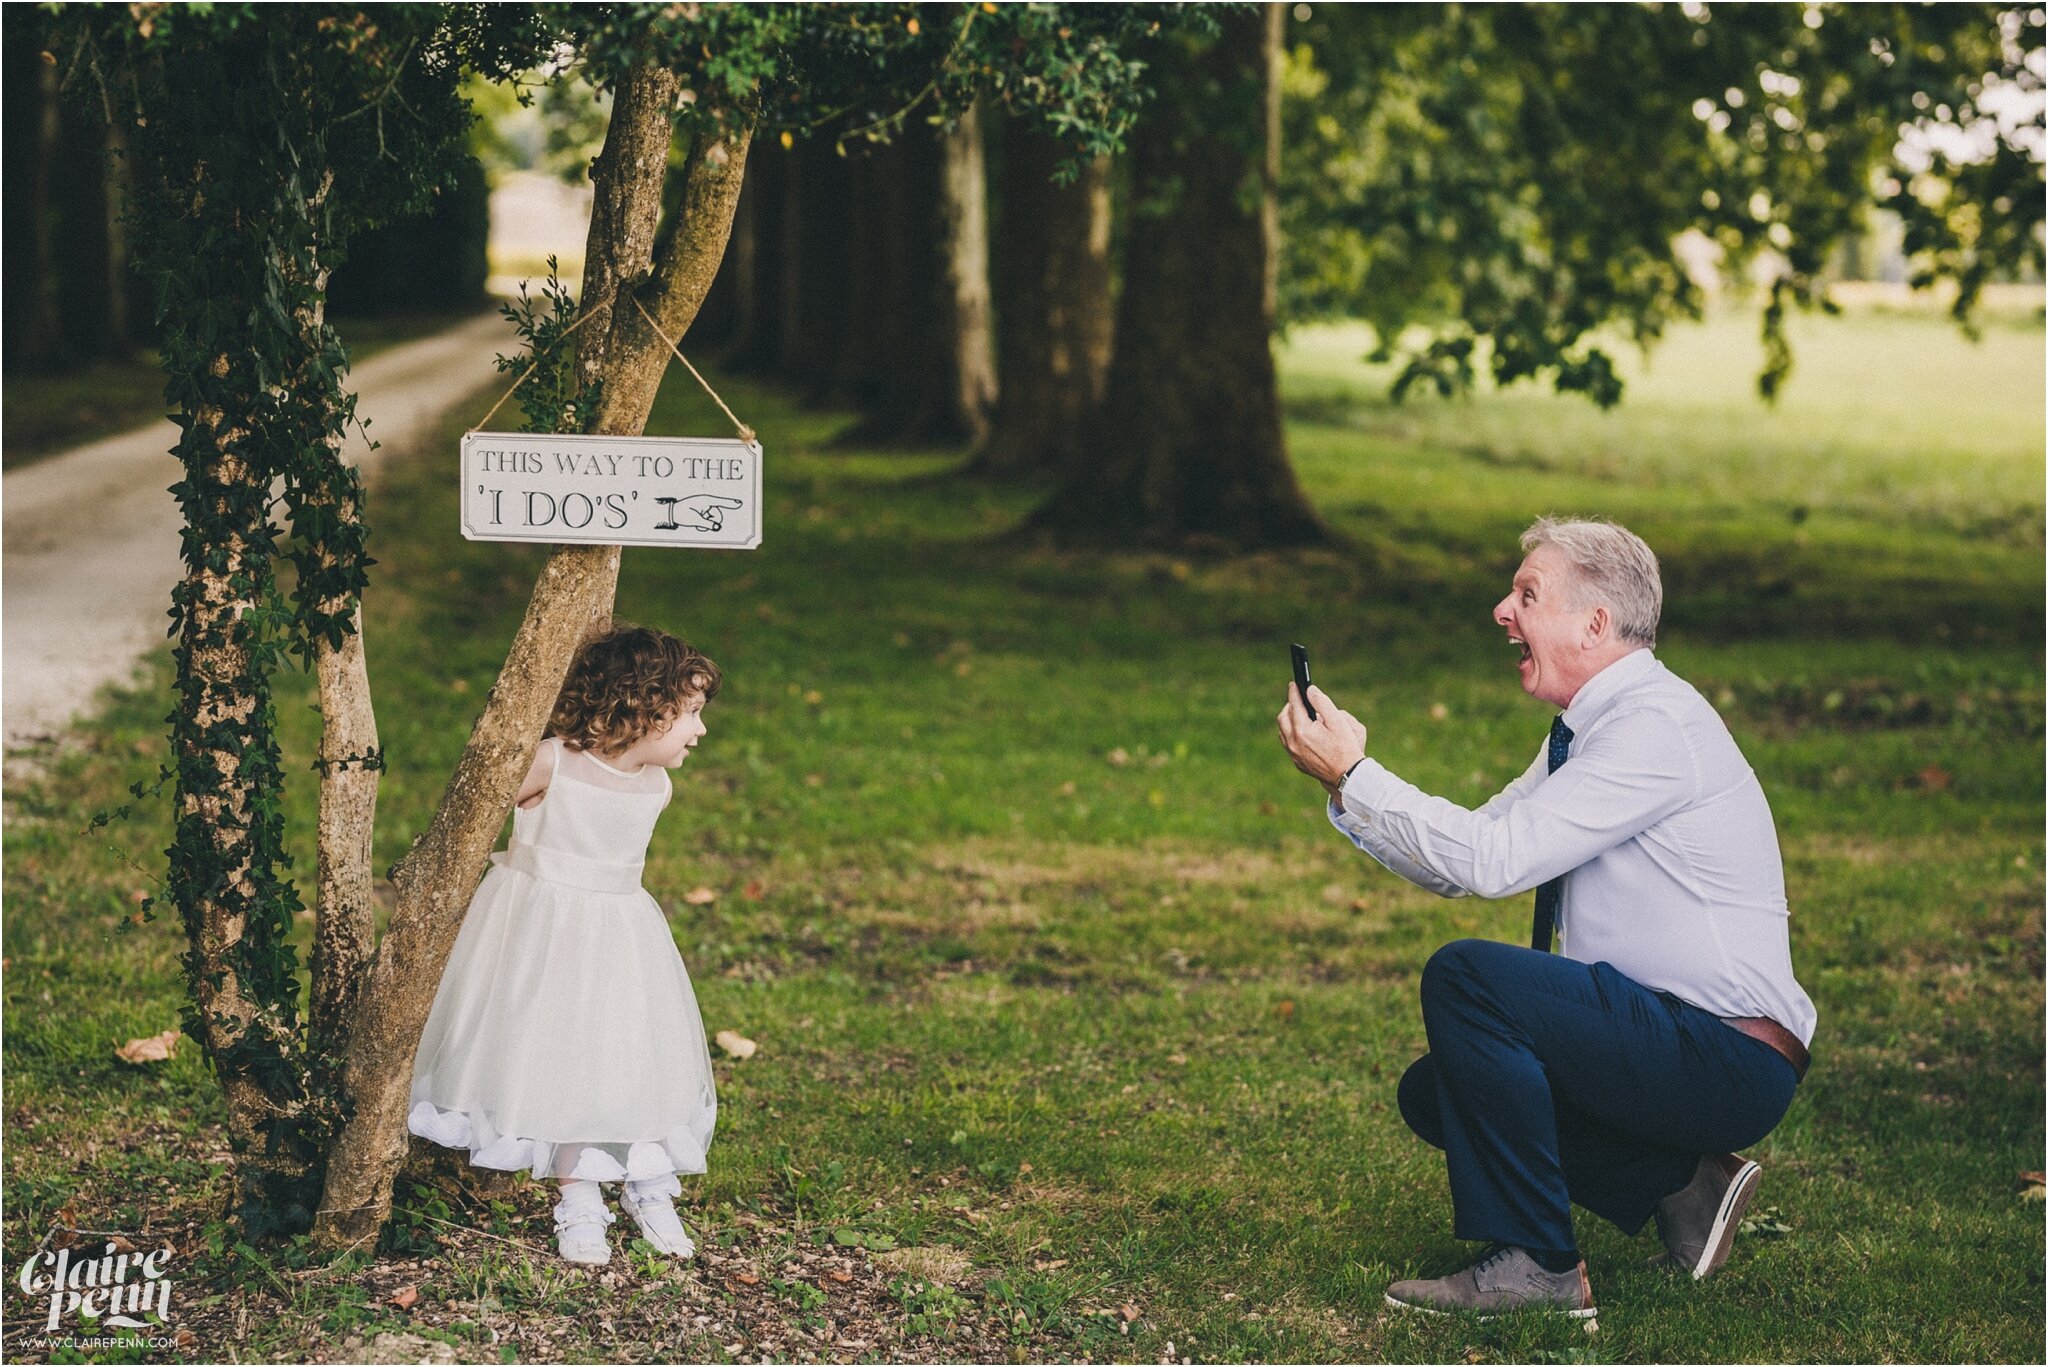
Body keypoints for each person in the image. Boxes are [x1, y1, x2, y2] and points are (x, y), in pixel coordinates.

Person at [1276, 516, 1815, 1319]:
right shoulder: (1591, 728)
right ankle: (1684, 1183)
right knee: (1440, 1091)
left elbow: (1492, 859)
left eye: (1528, 593)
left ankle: (1541, 1268)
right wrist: (1345, 788)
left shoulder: (1652, 729)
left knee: (1466, 977)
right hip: (1671, 1036)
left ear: (1594, 623)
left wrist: (1361, 771)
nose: (1502, 609)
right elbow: (1469, 858)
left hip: (1723, 1052)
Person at [409, 624, 723, 1266]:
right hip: (541, 938)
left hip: (620, 939)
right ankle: (578, 1200)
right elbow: (476, 821)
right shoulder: (553, 763)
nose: (699, 730)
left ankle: (649, 1184)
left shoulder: (656, 786)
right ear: (643, 707)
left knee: (629, 1055)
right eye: (689, 712)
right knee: (555, 1060)